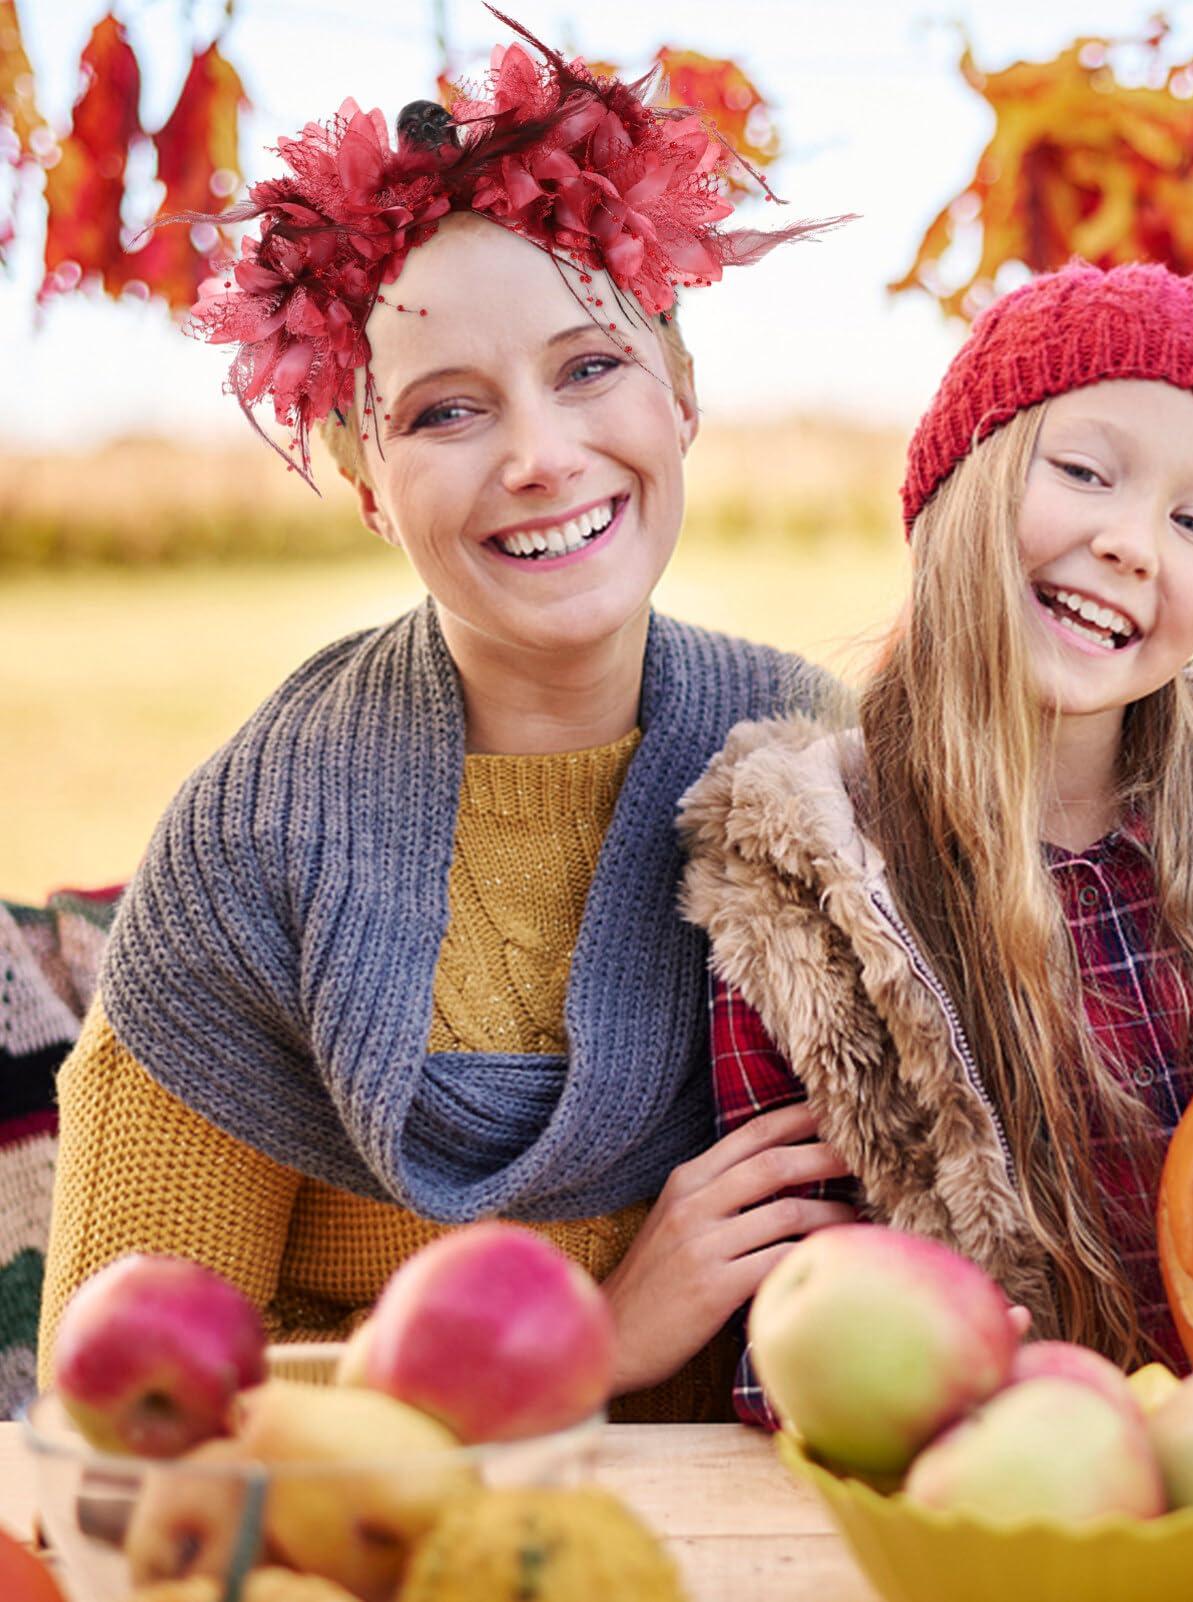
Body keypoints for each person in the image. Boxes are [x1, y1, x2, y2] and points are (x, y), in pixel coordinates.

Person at [36, 21, 860, 1421]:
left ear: (682, 397)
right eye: (445, 412)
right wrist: (589, 1342)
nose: (539, 456)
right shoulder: (255, 851)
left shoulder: (810, 762)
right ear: (368, 482)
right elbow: (125, 1423)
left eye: (590, 367)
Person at [677, 260, 1193, 1424]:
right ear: (961, 483)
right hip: (991, 1493)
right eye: (1085, 471)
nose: (1134, 542)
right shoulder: (811, 890)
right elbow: (803, 1337)